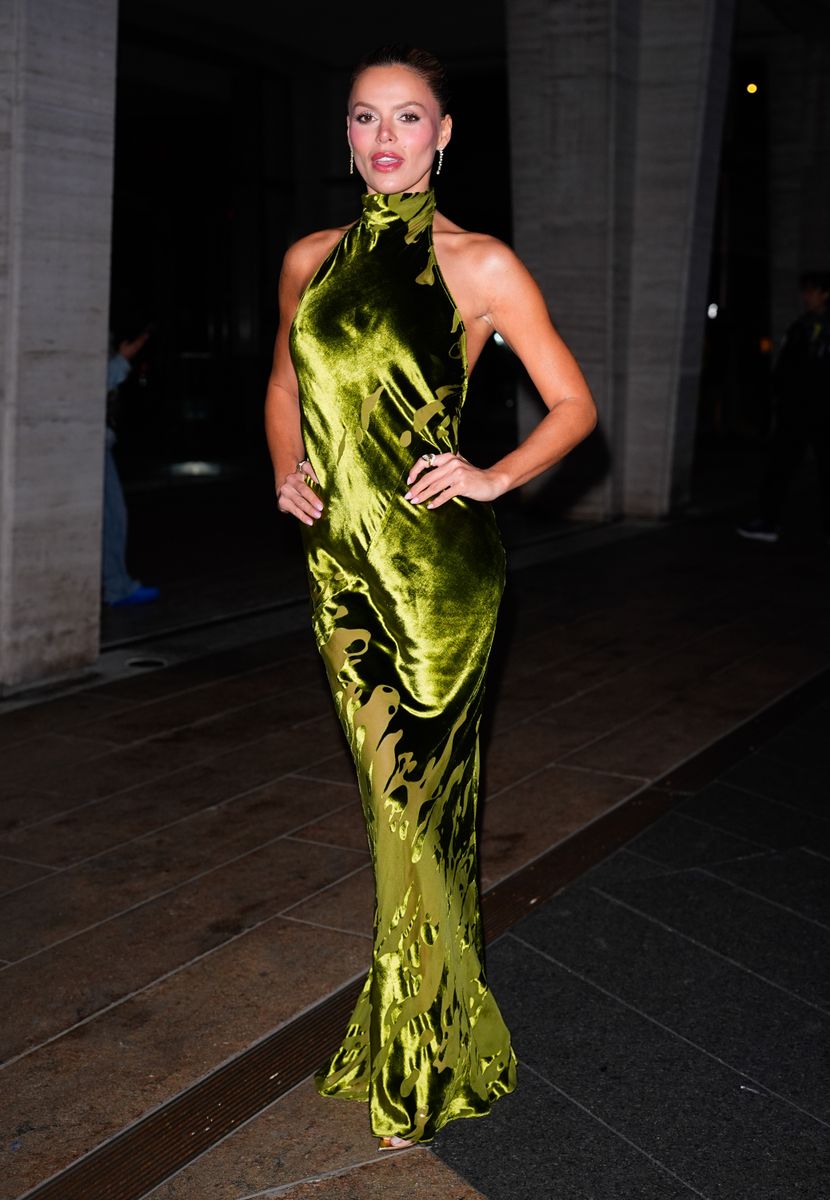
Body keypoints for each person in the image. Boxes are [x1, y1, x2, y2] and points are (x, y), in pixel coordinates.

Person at [264, 44, 596, 1150]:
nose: (387, 138)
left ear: (444, 134)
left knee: (419, 815)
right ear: (346, 134)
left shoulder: (481, 264)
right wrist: (286, 468)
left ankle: (423, 1057)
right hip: (339, 575)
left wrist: (493, 475)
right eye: (366, 118)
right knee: (388, 817)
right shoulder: (307, 257)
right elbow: (281, 382)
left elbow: (571, 405)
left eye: (409, 118)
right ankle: (422, 1020)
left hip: (437, 581)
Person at [736, 269, 830, 544]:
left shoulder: (818, 329)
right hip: (799, 410)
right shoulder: (802, 326)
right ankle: (767, 521)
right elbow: (786, 370)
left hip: (815, 410)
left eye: (812, 291)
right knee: (781, 467)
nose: (806, 296)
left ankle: (770, 521)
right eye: (806, 290)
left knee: (815, 467)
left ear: (825, 294)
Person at [101, 323, 161, 607]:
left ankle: (117, 585)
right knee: (111, 517)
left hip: (101, 443)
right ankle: (117, 587)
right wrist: (123, 359)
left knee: (113, 516)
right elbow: (97, 383)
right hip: (92, 446)